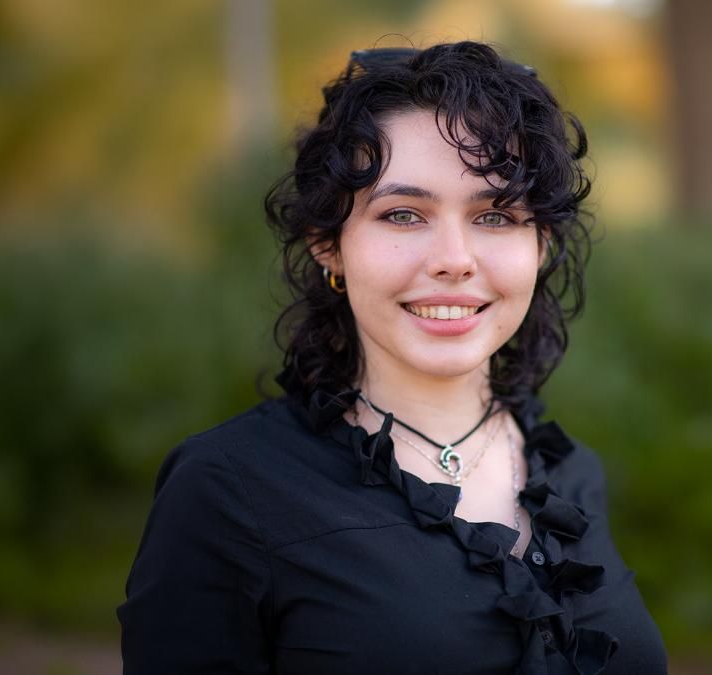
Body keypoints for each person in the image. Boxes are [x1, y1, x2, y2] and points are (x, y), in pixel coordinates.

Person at [118, 41, 667, 674]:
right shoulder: (229, 491)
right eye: (404, 214)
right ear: (328, 244)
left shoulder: (571, 478)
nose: (454, 258)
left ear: (540, 243)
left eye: (496, 215)